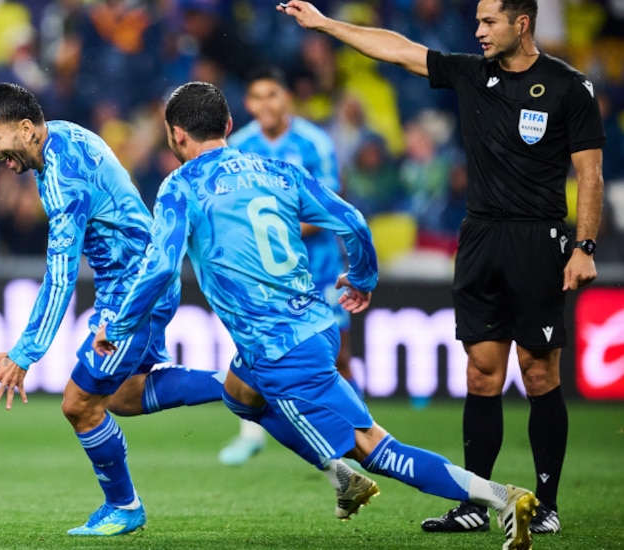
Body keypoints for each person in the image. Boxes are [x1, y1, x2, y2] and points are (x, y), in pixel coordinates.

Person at [93, 81, 539, 550]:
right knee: (240, 394)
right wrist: (363, 277)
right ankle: (340, 477)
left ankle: (501, 496)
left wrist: (119, 325)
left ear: (175, 135)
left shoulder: (180, 187)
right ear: (228, 125)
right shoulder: (279, 170)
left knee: (376, 448)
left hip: (281, 350)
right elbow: (353, 222)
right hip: (315, 325)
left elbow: (161, 266)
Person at [279, 0, 605, 534]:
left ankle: (546, 505)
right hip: (479, 238)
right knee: (481, 373)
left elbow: (590, 174)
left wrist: (584, 247)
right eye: (477, 21)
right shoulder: (472, 74)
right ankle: (478, 502)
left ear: (522, 24)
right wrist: (324, 24)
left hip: (537, 240)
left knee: (539, 371)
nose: (477, 32)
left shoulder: (569, 87)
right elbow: (400, 50)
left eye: (489, 22)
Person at [0, 82, 225, 536]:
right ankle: (238, 383)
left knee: (78, 404)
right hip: (142, 281)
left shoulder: (63, 181)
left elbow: (60, 276)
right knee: (125, 396)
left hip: (132, 294)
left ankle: (124, 506)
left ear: (27, 129)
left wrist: (24, 354)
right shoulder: (63, 135)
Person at [218, 65, 360, 466]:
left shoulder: (314, 143)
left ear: (288, 100)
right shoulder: (239, 145)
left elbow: (328, 208)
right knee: (254, 348)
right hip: (265, 274)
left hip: (319, 269)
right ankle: (251, 432)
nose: (265, 104)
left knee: (338, 356)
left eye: (273, 95)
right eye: (257, 97)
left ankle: (354, 434)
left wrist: (274, 235)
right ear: (247, 103)